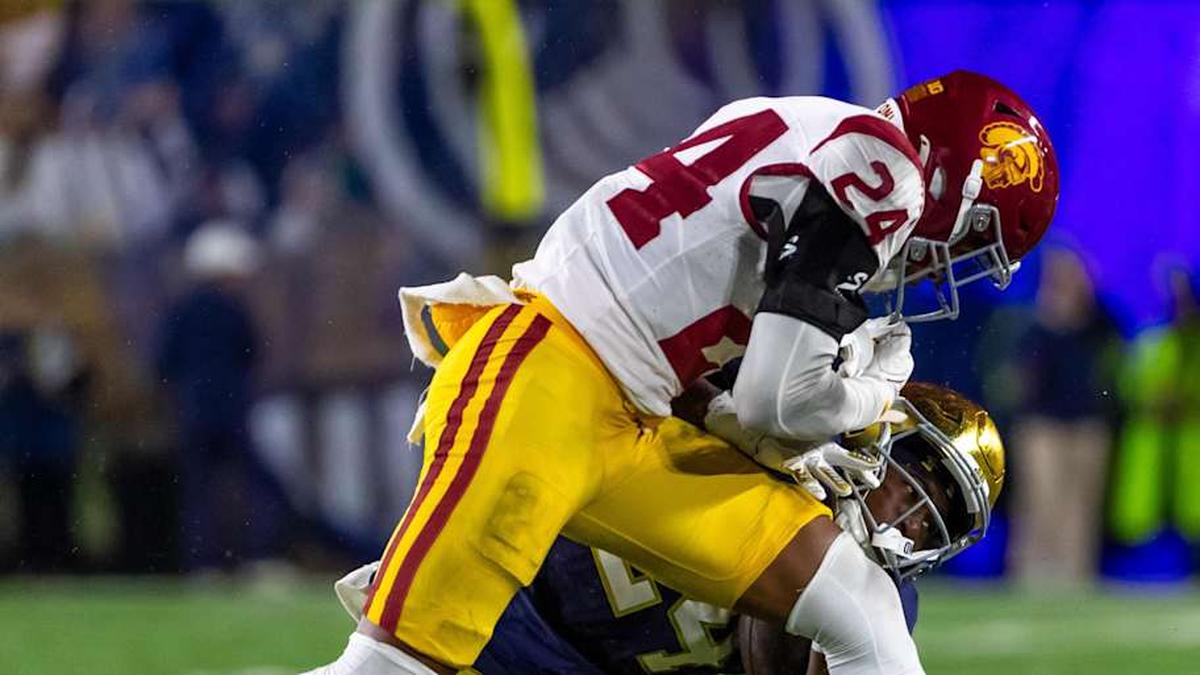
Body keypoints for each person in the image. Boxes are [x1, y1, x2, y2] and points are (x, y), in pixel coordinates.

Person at [305, 70, 1057, 675]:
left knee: (861, 603)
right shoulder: (884, 171)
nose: (941, 267)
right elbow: (773, 399)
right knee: (389, 667)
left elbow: (715, 352)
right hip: (549, 376)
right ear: (951, 182)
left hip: (630, 413)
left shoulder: (796, 119)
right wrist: (867, 398)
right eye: (966, 243)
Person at [328, 382, 1004, 675]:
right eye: (911, 478)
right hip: (513, 611)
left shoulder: (877, 601)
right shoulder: (769, 430)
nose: (907, 513)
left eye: (932, 514)